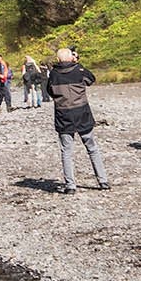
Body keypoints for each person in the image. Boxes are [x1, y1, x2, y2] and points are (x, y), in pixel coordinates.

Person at [47, 47, 110, 193]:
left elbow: (49, 91)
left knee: (66, 151)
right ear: (72, 57)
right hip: (82, 112)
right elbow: (91, 79)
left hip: (63, 115)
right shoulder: (79, 70)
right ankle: (103, 181)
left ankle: (70, 185)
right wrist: (78, 64)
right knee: (92, 147)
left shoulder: (54, 74)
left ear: (58, 59)